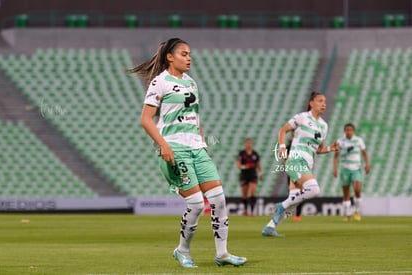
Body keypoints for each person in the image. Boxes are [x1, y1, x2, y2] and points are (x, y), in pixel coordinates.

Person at [134, 38, 246, 268]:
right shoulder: (160, 82)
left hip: (197, 148)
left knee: (219, 200)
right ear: (170, 57)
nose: (189, 58)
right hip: (175, 148)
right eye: (184, 54)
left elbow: (195, 117)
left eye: (190, 54)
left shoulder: (191, 82)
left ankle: (222, 253)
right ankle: (182, 251)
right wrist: (163, 145)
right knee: (196, 204)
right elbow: (146, 120)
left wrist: (203, 143)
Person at [262, 91, 339, 237]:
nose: (323, 104)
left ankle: (270, 227)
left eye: (325, 101)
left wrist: (330, 149)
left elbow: (319, 148)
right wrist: (283, 147)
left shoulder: (324, 126)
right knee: (314, 189)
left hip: (307, 164)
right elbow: (283, 130)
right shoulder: (302, 117)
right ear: (311, 103)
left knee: (293, 204)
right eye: (320, 101)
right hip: (296, 159)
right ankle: (281, 205)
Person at [333, 123, 370, 221]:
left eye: (350, 130)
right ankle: (347, 213)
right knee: (346, 192)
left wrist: (367, 164)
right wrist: (335, 168)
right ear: (344, 131)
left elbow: (364, 153)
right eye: (347, 130)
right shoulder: (340, 141)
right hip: (344, 168)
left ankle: (357, 211)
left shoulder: (359, 140)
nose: (349, 131)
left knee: (357, 190)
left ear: (353, 131)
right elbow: (335, 156)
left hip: (356, 168)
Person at [236, 138, 263, 216]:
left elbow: (258, 164)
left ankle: (252, 211)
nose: (248, 145)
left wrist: (260, 173)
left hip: (253, 174)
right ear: (245, 144)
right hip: (244, 175)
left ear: (252, 144)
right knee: (244, 194)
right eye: (247, 143)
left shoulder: (255, 154)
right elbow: (238, 164)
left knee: (252, 192)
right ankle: (245, 210)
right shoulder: (241, 153)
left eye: (250, 143)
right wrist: (244, 167)